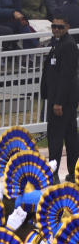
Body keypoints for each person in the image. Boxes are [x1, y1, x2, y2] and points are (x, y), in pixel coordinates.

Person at [41, 12, 79, 182]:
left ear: (67, 27)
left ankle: (53, 173)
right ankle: (73, 171)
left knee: (56, 138)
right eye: (54, 26)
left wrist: (58, 102)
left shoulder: (68, 45)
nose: (56, 29)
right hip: (62, 99)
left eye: (60, 27)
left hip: (62, 101)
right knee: (70, 136)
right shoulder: (58, 43)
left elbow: (67, 76)